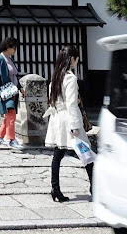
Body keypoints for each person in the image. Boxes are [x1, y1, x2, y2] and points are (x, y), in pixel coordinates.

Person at [44, 45, 94, 202]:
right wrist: (74, 125)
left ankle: (55, 188)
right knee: (86, 153)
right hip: (69, 120)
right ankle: (95, 187)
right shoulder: (70, 78)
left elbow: (53, 102)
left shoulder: (55, 78)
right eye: (76, 59)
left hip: (57, 118)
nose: (76, 62)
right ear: (72, 59)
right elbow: (72, 103)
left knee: (57, 155)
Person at [0, 37, 25, 149]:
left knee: (9, 115)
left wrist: (20, 88)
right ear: (8, 47)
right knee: (11, 114)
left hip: (13, 91)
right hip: (5, 91)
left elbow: (15, 76)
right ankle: (11, 139)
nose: (15, 50)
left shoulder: (10, 60)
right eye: (14, 47)